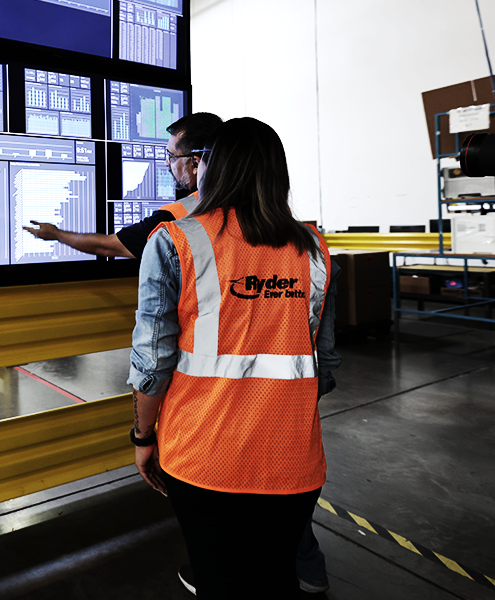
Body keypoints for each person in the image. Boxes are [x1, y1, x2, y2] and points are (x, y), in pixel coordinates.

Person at [128, 117, 341, 599]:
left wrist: (142, 435)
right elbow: (323, 367)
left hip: (204, 459)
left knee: (220, 577)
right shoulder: (314, 249)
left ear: (211, 169)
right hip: (292, 460)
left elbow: (153, 364)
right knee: (274, 578)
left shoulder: (176, 241)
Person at [22, 112, 224, 258]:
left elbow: (109, 246)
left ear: (196, 162)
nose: (166, 162)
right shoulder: (247, 203)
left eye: (171, 156)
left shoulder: (176, 215)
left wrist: (56, 234)